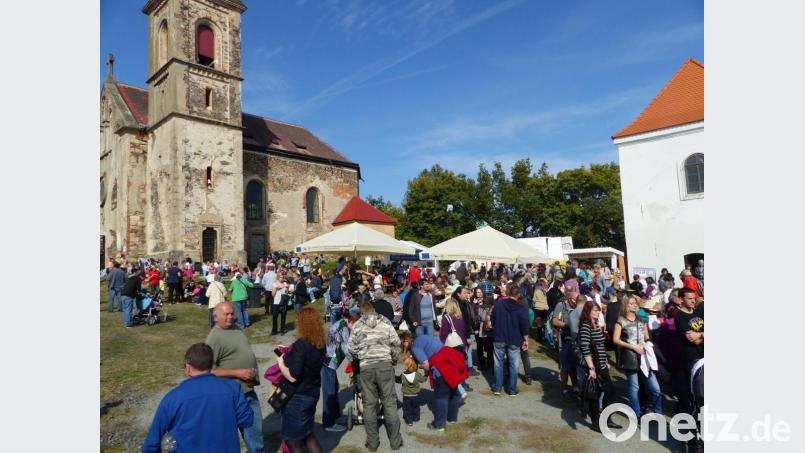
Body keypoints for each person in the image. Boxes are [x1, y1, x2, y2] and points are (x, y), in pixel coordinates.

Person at [142, 343, 254, 453]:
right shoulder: (233, 388)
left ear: (188, 367)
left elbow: (152, 442)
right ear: (211, 366)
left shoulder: (173, 398)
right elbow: (247, 420)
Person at [205, 302, 264, 453]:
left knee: (255, 430)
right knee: (229, 436)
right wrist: (237, 373)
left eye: (232, 313)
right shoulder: (214, 338)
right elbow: (209, 370)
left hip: (248, 389)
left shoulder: (236, 327)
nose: (231, 317)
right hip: (232, 394)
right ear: (216, 317)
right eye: (226, 314)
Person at [348, 300, 403, 452]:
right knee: (390, 402)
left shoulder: (358, 325)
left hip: (366, 367)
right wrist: (392, 357)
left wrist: (361, 356)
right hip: (385, 365)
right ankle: (396, 442)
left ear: (362, 311)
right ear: (374, 310)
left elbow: (350, 347)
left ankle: (372, 443)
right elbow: (396, 343)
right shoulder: (385, 322)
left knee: (369, 404)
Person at [276, 307, 327, 453]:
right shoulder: (320, 343)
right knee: (307, 433)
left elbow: (293, 376)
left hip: (298, 397)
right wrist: (289, 350)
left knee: (293, 439)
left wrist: (280, 362)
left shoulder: (301, 345)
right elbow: (306, 359)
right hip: (312, 392)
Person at [613, 294, 664, 418]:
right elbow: (616, 339)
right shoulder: (621, 320)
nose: (635, 305)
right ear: (626, 305)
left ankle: (658, 412)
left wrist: (648, 343)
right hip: (630, 357)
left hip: (645, 357)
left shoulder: (642, 319)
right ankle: (636, 413)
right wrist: (633, 347)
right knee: (634, 387)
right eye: (631, 303)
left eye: (635, 303)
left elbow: (647, 336)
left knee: (655, 388)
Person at [411, 332, 468, 432]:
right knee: (454, 393)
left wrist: (425, 370)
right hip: (452, 364)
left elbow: (426, 363)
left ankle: (440, 425)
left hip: (441, 368)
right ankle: (452, 418)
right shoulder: (428, 337)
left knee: (442, 396)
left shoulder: (415, 345)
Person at [579, 301, 622, 431]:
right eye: (595, 310)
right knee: (602, 392)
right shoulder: (586, 326)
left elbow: (600, 347)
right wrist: (591, 368)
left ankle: (603, 419)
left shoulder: (595, 325)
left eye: (599, 310)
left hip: (601, 363)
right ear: (588, 312)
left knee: (601, 392)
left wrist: (605, 361)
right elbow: (585, 348)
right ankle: (597, 421)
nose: (598, 312)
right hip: (595, 364)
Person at [321, 311, 360, 432]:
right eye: (355, 326)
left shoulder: (343, 324)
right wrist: (355, 362)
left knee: (334, 387)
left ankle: (336, 415)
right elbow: (346, 347)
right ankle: (329, 423)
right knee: (330, 392)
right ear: (351, 321)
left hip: (331, 362)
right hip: (328, 363)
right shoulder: (343, 327)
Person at [490, 283, 529, 396]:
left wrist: (496, 327)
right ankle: (512, 389)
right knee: (513, 364)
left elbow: (492, 317)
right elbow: (524, 326)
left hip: (499, 337)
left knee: (498, 363)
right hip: (514, 339)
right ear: (518, 295)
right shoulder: (520, 308)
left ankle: (497, 387)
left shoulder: (499, 304)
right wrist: (526, 339)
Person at [551, 283, 579, 396]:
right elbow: (555, 321)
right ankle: (564, 386)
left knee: (574, 364)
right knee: (565, 365)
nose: (575, 302)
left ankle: (575, 385)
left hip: (576, 339)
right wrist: (568, 325)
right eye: (574, 300)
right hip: (564, 338)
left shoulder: (578, 306)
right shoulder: (561, 305)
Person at [400, 355, 428, 426]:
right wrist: (426, 374)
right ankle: (416, 418)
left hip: (406, 395)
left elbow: (398, 380)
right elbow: (423, 380)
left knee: (407, 408)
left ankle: (409, 421)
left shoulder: (403, 375)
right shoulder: (417, 375)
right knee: (416, 407)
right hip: (415, 395)